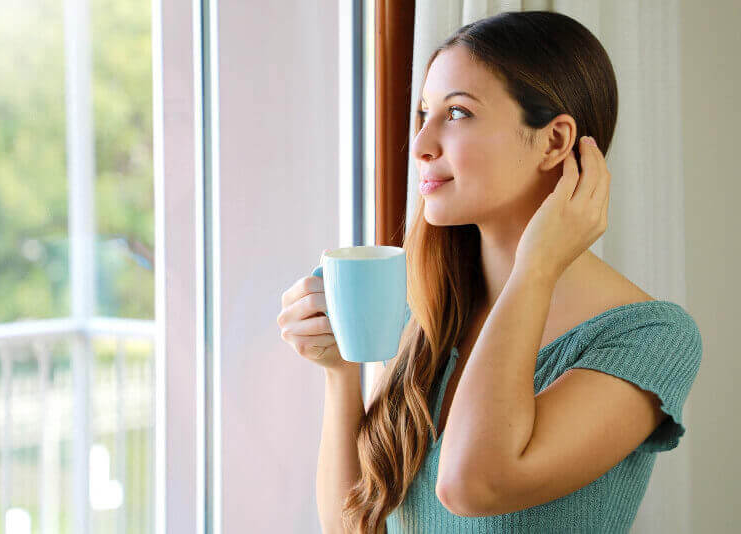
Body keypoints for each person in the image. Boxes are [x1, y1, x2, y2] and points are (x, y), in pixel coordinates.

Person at [277, 10, 702, 534]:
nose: (419, 145)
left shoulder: (649, 339)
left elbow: (473, 485)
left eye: (456, 114)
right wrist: (340, 373)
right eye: (423, 114)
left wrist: (538, 267)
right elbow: (353, 526)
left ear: (553, 141)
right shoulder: (424, 303)